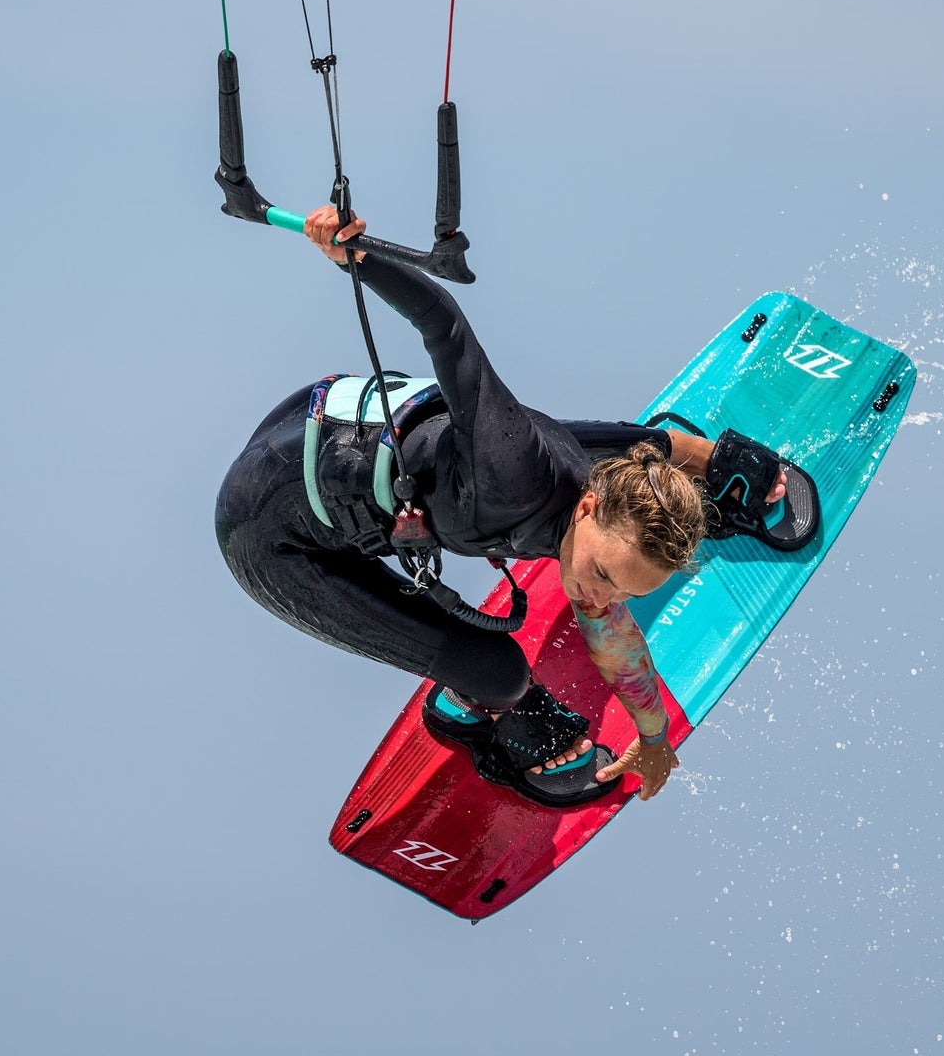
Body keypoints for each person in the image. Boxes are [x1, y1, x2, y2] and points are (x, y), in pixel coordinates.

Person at [214, 207, 811, 806]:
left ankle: (706, 465)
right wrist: (357, 257)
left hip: (316, 423)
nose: (602, 600)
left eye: (625, 590)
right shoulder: (512, 468)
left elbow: (618, 640)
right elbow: (443, 326)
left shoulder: (599, 492)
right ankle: (466, 712)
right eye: (603, 575)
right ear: (588, 508)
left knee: (639, 447)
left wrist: (654, 738)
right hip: (269, 532)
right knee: (499, 670)